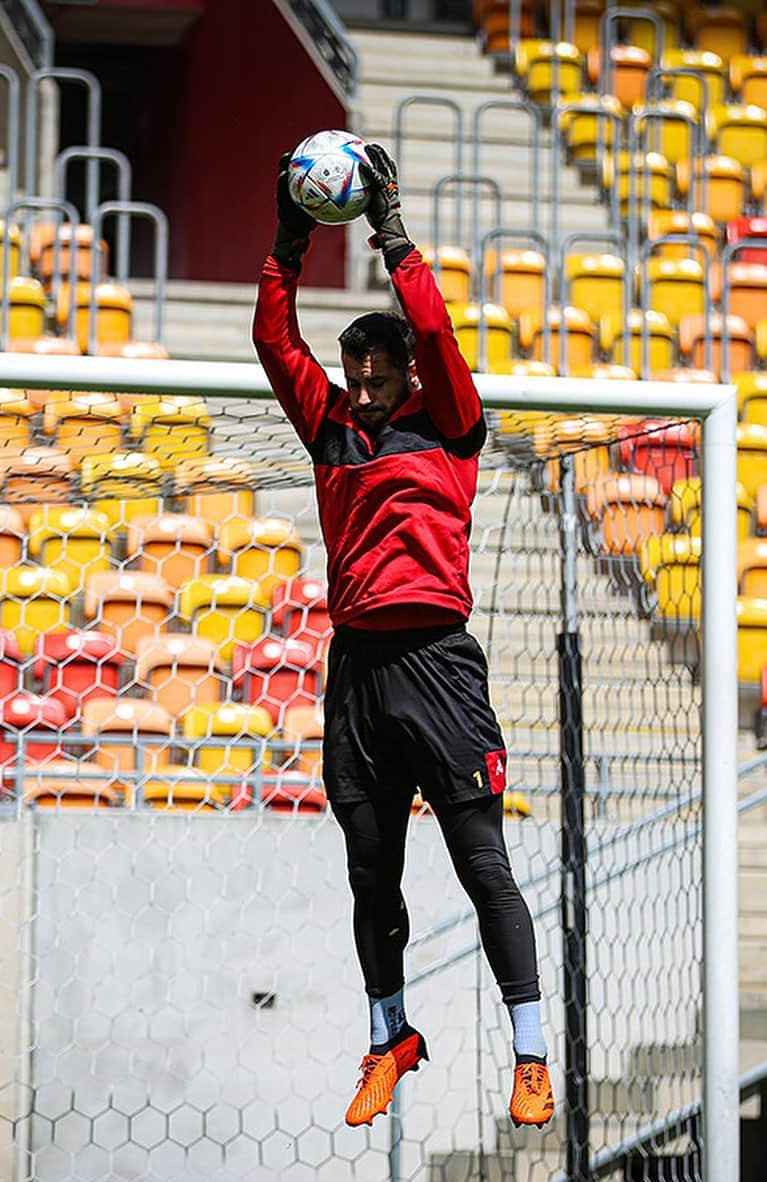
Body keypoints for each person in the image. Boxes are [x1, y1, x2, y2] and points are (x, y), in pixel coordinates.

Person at [252, 145, 554, 1131]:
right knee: (369, 870)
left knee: (482, 864)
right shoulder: (331, 426)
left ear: (410, 371)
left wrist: (389, 231)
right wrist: (291, 241)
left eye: (384, 364)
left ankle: (531, 1055)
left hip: (439, 668)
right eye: (357, 365)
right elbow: (273, 341)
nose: (369, 376)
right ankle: (389, 1039)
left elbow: (432, 319)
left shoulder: (452, 420)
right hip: (358, 677)